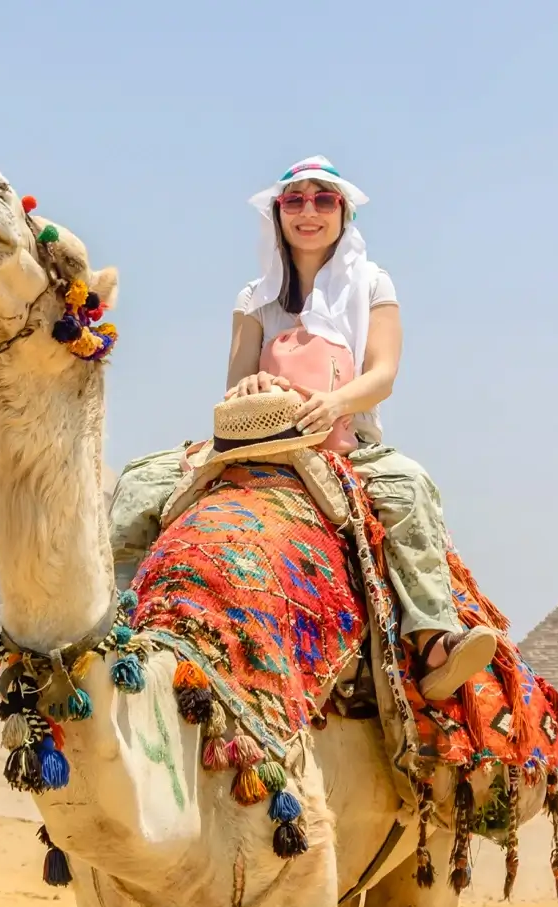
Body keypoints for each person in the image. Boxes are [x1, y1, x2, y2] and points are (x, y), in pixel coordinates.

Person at [108, 155, 498, 701]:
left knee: (407, 486)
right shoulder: (254, 298)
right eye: (295, 200)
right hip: (257, 443)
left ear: (344, 212)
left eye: (323, 199)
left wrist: (335, 402)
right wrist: (247, 391)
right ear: (277, 213)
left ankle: (432, 639)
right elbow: (235, 381)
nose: (308, 212)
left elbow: (383, 373)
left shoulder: (372, 285)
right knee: (139, 481)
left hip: (342, 442)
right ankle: (116, 620)